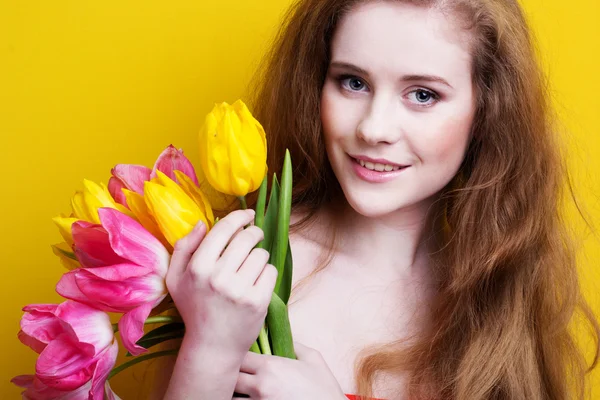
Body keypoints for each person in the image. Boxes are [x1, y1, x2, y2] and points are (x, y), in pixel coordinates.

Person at [156, 0, 600, 399]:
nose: (374, 128)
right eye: (353, 82)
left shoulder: (500, 289)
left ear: (486, 110)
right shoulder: (237, 276)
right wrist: (209, 350)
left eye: (422, 95)